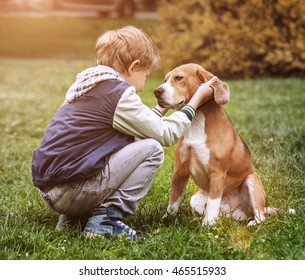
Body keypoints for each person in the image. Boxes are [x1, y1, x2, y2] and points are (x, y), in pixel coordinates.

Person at [31, 26, 217, 240]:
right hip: (73, 191)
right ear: (133, 67)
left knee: (127, 145)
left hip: (51, 189)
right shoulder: (118, 94)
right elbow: (165, 134)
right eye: (145, 76)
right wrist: (195, 101)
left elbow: (140, 128)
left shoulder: (87, 86)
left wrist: (161, 109)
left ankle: (74, 218)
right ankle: (106, 220)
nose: (142, 87)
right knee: (152, 149)